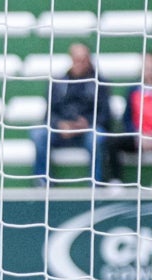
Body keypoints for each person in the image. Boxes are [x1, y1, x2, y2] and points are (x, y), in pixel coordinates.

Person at [30, 43, 115, 186]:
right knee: (39, 133)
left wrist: (86, 124)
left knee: (97, 137)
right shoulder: (58, 83)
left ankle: (96, 183)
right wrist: (60, 125)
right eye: (77, 59)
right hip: (62, 131)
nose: (80, 63)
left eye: (84, 59)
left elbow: (105, 115)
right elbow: (49, 114)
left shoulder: (100, 84)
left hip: (87, 131)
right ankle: (43, 182)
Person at [108, 53, 152, 183]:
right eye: (146, 66)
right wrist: (137, 135)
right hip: (138, 137)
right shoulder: (133, 90)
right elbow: (127, 118)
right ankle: (115, 181)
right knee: (112, 142)